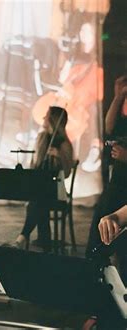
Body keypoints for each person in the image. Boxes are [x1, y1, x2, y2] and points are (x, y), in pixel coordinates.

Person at [15, 106, 74, 251]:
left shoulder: (64, 144)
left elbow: (66, 173)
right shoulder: (42, 138)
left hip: (57, 191)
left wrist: (59, 156)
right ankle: (42, 239)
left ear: (53, 120)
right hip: (41, 189)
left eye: (46, 116)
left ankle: (25, 236)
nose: (43, 118)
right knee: (39, 196)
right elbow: (35, 165)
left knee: (38, 199)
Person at [86, 75, 127, 258]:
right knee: (101, 226)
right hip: (117, 181)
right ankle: (94, 270)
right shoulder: (122, 115)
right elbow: (109, 128)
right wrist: (118, 96)